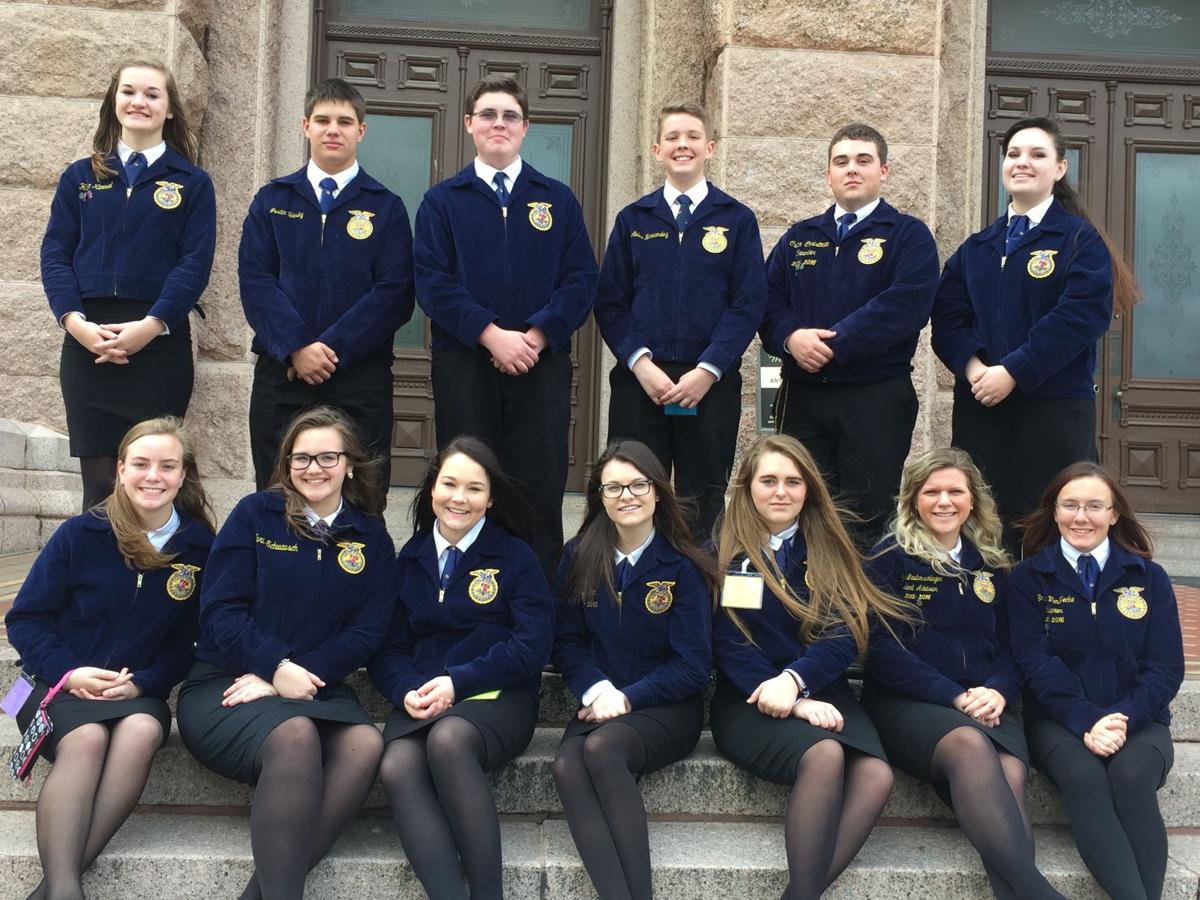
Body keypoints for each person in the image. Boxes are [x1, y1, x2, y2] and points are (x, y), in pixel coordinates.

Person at [176, 407, 396, 900]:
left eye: (327, 457)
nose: (313, 468)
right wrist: (273, 665)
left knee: (365, 746)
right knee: (295, 734)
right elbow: (221, 609)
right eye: (301, 458)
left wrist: (298, 673)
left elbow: (368, 631)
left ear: (350, 464)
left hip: (316, 686)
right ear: (285, 463)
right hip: (225, 683)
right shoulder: (255, 515)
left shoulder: (371, 538)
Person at [5, 417, 215, 900]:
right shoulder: (81, 533)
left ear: (183, 475)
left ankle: (56, 888)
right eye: (140, 464)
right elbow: (25, 620)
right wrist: (69, 671)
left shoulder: (201, 549)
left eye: (167, 466)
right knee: (88, 738)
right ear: (120, 470)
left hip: (136, 691)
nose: (153, 476)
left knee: (141, 729)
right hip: (46, 683)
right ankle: (63, 890)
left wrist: (145, 682)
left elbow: (193, 641)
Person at [414, 73, 598, 574]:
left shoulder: (557, 200)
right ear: (470, 124)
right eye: (489, 115)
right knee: (467, 480)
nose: (500, 124)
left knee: (538, 483)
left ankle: (538, 608)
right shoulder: (442, 201)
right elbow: (432, 282)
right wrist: (492, 335)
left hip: (541, 367)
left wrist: (535, 336)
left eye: (510, 116)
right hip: (466, 366)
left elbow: (581, 280)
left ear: (526, 127)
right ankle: (463, 595)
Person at [710, 434, 907, 900]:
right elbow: (728, 642)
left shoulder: (829, 547)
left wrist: (797, 683)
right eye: (769, 480)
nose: (781, 492)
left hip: (822, 687)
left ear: (809, 490)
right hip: (748, 696)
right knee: (825, 755)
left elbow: (844, 635)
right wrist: (789, 699)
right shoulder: (720, 550)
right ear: (746, 487)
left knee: (877, 774)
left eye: (793, 482)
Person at [862, 448, 1064, 899]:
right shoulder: (887, 559)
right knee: (970, 744)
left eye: (956, 491)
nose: (944, 502)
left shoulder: (992, 561)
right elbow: (880, 650)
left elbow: (1017, 646)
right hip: (909, 703)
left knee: (1011, 768)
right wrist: (953, 695)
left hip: (986, 703)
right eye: (931, 492)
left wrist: (998, 691)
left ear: (973, 499)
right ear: (913, 499)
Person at [931, 116, 1138, 550]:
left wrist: (1013, 372)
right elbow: (948, 319)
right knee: (984, 530)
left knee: (1050, 528)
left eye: (1037, 154)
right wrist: (974, 369)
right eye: (1014, 154)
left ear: (1059, 169)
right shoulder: (977, 248)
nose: (1022, 162)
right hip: (983, 412)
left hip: (1053, 412)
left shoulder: (1080, 241)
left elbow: (1080, 317)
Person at [369, 436, 554, 900]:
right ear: (432, 488)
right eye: (449, 483)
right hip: (423, 696)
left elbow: (532, 646)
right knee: (395, 763)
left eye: (474, 488)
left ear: (490, 499)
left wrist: (459, 682)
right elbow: (387, 648)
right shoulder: (407, 560)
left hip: (498, 697)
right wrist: (407, 688)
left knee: (449, 741)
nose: (459, 498)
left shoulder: (515, 558)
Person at [41, 59, 216, 512]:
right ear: (114, 101)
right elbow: (56, 255)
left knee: (154, 484)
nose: (139, 102)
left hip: (158, 348)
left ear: (169, 109)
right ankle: (99, 582)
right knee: (99, 489)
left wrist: (152, 324)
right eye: (129, 91)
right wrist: (75, 323)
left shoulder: (192, 184)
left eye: (152, 94)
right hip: (88, 344)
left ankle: (152, 578)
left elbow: (194, 264)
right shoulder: (80, 177)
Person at [759, 123, 938, 548]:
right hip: (803, 396)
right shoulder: (800, 236)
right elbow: (766, 302)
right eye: (841, 162)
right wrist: (790, 339)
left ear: (884, 171)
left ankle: (859, 613)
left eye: (863, 160)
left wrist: (826, 344)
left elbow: (905, 304)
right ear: (828, 174)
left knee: (865, 518)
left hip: (874, 398)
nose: (851, 170)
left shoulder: (907, 235)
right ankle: (800, 606)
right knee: (798, 511)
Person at [1009, 462, 1183, 900]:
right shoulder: (1029, 579)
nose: (1080, 517)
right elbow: (1036, 662)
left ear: (1114, 514)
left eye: (1093, 506)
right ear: (1054, 512)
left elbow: (1165, 667)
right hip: (1058, 722)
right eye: (1069, 505)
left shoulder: (1149, 578)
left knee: (1130, 775)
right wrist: (1087, 720)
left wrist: (1122, 717)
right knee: (1085, 778)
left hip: (1140, 721)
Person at [551, 440, 716, 900]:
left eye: (638, 484)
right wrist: (595, 688)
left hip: (665, 707)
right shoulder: (578, 555)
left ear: (658, 492)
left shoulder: (683, 566)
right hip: (598, 699)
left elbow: (693, 666)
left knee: (601, 749)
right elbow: (565, 642)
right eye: (614, 487)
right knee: (566, 764)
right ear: (599, 497)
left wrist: (624, 698)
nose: (627, 496)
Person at [594, 103, 766, 543]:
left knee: (701, 499)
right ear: (657, 150)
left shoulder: (737, 220)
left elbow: (747, 305)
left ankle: (696, 592)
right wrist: (641, 364)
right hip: (641, 386)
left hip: (708, 389)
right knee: (631, 491)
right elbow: (611, 302)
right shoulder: (634, 220)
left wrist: (707, 371)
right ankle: (631, 588)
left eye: (692, 136)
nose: (682, 145)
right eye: (672, 137)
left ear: (709, 147)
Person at [240, 77, 415, 508]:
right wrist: (297, 347)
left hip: (359, 380)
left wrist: (330, 349)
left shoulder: (385, 206)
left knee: (363, 497)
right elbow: (256, 281)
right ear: (305, 126)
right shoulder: (272, 200)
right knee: (277, 494)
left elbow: (395, 292)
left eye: (344, 121)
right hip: (283, 376)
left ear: (361, 130)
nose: (332, 129)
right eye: (322, 120)